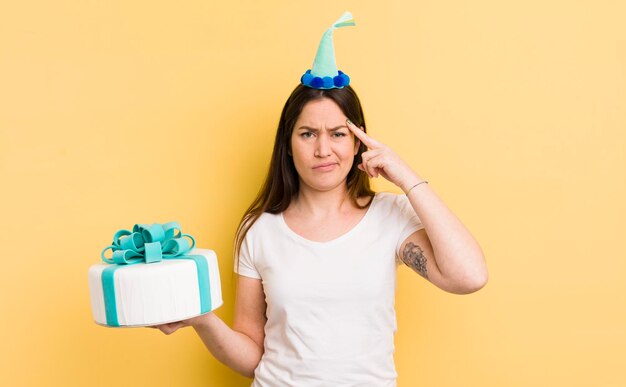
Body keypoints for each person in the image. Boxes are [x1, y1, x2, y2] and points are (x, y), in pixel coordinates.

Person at [156, 12, 487, 386]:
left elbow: (469, 276)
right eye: (308, 134)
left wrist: (406, 177)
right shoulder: (259, 230)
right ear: (288, 145)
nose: (323, 149)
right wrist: (202, 320)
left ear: (359, 140)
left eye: (338, 134)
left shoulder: (390, 217)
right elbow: (252, 355)